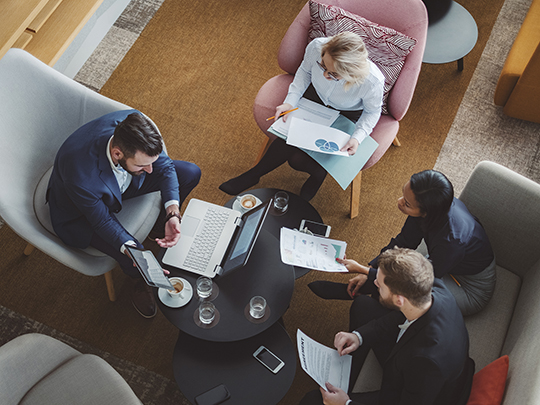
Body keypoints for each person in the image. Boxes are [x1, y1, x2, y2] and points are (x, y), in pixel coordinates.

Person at [47, 110, 201, 318]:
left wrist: (172, 213)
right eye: (142, 165)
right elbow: (102, 221)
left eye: (150, 162)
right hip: (79, 215)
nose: (149, 170)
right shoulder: (80, 175)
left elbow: (164, 167)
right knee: (131, 251)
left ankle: (159, 226)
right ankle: (137, 280)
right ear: (117, 154)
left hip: (122, 185)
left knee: (190, 172)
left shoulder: (138, 127)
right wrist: (137, 253)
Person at [219, 31, 384, 201]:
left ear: (352, 74)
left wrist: (357, 137)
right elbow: (305, 72)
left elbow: (372, 111)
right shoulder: (317, 46)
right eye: (323, 66)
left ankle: (318, 176)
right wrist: (290, 101)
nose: (325, 75)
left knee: (298, 160)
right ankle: (255, 174)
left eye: (334, 75)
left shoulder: (372, 81)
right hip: (315, 96)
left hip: (347, 111)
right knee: (289, 135)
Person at [300, 248, 475, 405]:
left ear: (400, 299)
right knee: (363, 306)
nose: (374, 284)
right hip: (411, 351)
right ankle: (346, 375)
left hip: (415, 392)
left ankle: (345, 391)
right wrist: (358, 337)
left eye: (380, 284)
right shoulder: (433, 288)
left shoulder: (426, 362)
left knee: (311, 401)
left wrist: (347, 404)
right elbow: (399, 315)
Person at [309, 170, 496, 316]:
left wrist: (364, 272)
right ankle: (366, 289)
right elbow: (404, 241)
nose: (399, 202)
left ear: (427, 212)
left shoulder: (452, 240)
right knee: (396, 266)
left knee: (406, 294)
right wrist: (372, 266)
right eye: (403, 195)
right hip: (445, 263)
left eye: (406, 204)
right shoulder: (432, 204)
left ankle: (364, 296)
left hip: (470, 287)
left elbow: (418, 280)